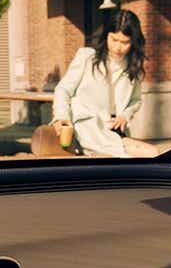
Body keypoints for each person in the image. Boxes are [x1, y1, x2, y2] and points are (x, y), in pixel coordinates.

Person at [52, 10, 158, 158]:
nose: (118, 47)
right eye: (114, 40)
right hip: (88, 128)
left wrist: (125, 116)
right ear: (106, 35)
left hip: (115, 130)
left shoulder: (134, 67)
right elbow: (63, 90)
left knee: (153, 153)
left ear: (133, 41)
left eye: (125, 42)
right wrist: (62, 117)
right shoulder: (87, 57)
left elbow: (135, 100)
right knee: (140, 157)